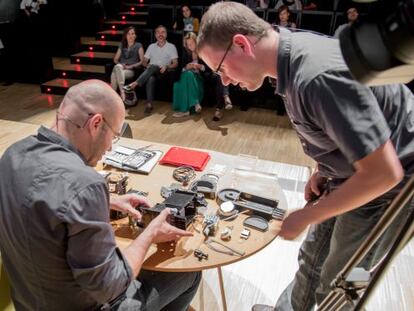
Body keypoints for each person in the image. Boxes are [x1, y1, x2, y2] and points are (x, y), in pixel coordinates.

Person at [196, 2, 414, 310]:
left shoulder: (315, 76)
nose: (225, 81)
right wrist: (323, 168)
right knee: (312, 260)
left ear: (241, 44)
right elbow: (337, 126)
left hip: (392, 186)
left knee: (340, 283)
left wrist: (305, 216)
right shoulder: (289, 54)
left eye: (221, 69)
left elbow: (383, 173)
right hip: (352, 172)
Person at [0, 80, 201, 311]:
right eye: (114, 136)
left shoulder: (12, 155)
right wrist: (149, 234)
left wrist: (107, 201)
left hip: (29, 301)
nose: (110, 149)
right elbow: (112, 286)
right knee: (189, 274)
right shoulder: (87, 184)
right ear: (96, 123)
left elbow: (43, 204)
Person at [126, 25, 178, 114]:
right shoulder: (151, 46)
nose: (160, 34)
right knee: (150, 77)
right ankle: (149, 105)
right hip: (151, 72)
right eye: (158, 32)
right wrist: (147, 66)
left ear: (166, 34)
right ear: (155, 35)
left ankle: (135, 84)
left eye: (163, 32)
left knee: (154, 66)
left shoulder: (171, 46)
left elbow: (175, 63)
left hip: (164, 72)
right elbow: (144, 61)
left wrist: (167, 66)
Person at [172, 32, 204, 117]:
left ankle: (185, 110)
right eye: (188, 45)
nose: (190, 46)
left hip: (198, 80)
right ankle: (194, 104)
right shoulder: (185, 53)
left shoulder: (202, 52)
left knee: (187, 75)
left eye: (192, 43)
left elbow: (209, 69)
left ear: (196, 42)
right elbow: (181, 68)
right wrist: (186, 67)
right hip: (188, 77)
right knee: (185, 76)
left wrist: (200, 67)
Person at [111, 26, 145, 101]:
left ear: (135, 36)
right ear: (125, 35)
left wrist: (130, 66)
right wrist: (121, 65)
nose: (130, 36)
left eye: (132, 34)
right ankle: (122, 92)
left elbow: (142, 61)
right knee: (118, 67)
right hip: (121, 68)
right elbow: (115, 59)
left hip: (131, 70)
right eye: (128, 34)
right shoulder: (122, 45)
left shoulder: (138, 45)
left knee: (115, 72)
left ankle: (113, 97)